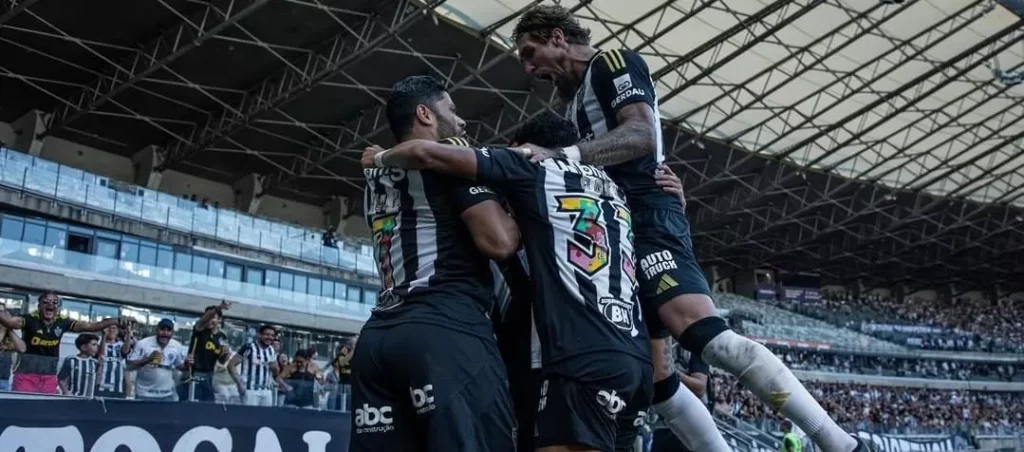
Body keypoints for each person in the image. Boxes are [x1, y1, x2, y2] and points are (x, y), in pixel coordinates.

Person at [510, 6, 864, 452]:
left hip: (647, 218)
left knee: (704, 335)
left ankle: (840, 443)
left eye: (531, 51)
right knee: (659, 378)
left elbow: (641, 135)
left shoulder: (614, 62)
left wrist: (566, 155)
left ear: (559, 38)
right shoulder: (574, 99)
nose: (528, 67)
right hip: (619, 227)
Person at [363, 111, 652, 452]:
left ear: (524, 147)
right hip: (635, 356)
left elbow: (427, 154)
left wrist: (378, 157)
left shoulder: (530, 167)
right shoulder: (613, 188)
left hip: (579, 356)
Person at [349, 75, 519, 451]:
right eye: (452, 110)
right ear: (425, 113)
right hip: (444, 331)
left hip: (378, 340)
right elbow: (500, 242)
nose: (461, 123)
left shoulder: (375, 178)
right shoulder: (447, 164)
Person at [0, 291, 129, 395]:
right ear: (39, 305)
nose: (50, 304)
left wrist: (115, 321)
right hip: (26, 374)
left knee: (45, 412)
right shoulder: (29, 319)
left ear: (58, 307)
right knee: (23, 410)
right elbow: (10, 322)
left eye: (54, 302)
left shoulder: (63, 322)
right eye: (46, 302)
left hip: (49, 376)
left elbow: (91, 326)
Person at [128, 318, 190, 402]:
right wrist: (147, 359)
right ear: (157, 330)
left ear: (172, 333)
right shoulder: (143, 344)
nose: (165, 333)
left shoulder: (177, 346)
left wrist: (187, 364)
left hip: (167, 395)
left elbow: (179, 366)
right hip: (144, 394)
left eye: (168, 330)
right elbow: (130, 366)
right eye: (162, 329)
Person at [182, 301, 232, 402]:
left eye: (213, 317)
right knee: (193, 404)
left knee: (208, 405)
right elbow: (204, 319)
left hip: (210, 375)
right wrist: (219, 307)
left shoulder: (222, 336)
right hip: (195, 373)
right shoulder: (200, 330)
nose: (209, 320)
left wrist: (225, 354)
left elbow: (221, 361)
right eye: (208, 317)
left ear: (219, 320)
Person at [229, 324, 283, 407]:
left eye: (272, 335)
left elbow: (276, 372)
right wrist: (239, 383)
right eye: (267, 334)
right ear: (259, 335)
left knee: (265, 418)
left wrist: (275, 367)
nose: (270, 337)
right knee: (249, 418)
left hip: (266, 391)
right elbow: (231, 365)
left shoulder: (271, 350)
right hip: (250, 390)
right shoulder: (248, 347)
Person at [96, 321, 134, 398]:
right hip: (101, 384)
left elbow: (125, 351)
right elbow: (101, 355)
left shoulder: (120, 344)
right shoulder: (98, 343)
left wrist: (129, 332)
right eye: (108, 328)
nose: (111, 330)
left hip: (118, 386)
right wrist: (104, 336)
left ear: (117, 331)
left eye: (114, 328)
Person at [57, 333, 100, 397]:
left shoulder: (94, 362)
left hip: (89, 399)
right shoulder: (71, 360)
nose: (97, 347)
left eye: (97, 345)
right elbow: (61, 379)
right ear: (83, 347)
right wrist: (66, 392)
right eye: (94, 345)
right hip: (73, 398)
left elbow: (97, 381)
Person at [0, 319, 26, 392]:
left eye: (3, 312)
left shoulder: (8, 334)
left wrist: (9, 329)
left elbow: (22, 348)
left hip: (4, 378)